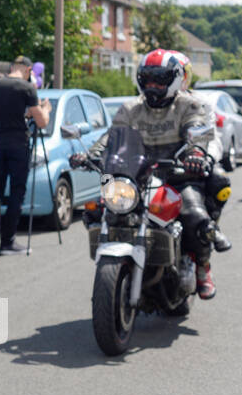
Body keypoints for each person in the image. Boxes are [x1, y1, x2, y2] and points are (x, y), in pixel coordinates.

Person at [72, 49, 227, 299]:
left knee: (194, 215)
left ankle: (202, 267)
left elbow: (197, 129)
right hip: (137, 176)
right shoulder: (131, 108)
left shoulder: (189, 105)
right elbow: (111, 137)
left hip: (177, 174)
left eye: (160, 79)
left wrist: (196, 154)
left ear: (175, 79)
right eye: (148, 78)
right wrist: (89, 155)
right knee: (98, 209)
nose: (153, 85)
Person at [0, 56, 51, 255]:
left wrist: (22, 116)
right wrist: (45, 109)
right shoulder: (27, 88)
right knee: (17, 190)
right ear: (29, 70)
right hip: (18, 144)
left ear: (12, 67)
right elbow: (41, 122)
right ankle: (9, 240)